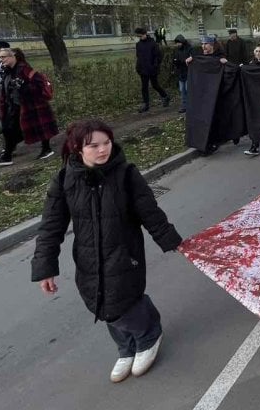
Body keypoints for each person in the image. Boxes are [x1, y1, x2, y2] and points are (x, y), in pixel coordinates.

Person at [31, 119, 182, 384]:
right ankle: (126, 347)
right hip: (88, 256)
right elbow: (51, 226)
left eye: (107, 143)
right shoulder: (66, 179)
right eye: (94, 145)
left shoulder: (126, 174)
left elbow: (150, 212)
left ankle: (148, 335)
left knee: (121, 300)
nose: (103, 150)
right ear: (78, 148)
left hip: (125, 252)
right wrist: (45, 267)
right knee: (99, 301)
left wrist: (171, 240)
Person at [0, 48, 58, 166]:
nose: (1, 60)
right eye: (0, 57)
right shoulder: (7, 71)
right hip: (14, 106)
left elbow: (38, 86)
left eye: (4, 57)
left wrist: (23, 86)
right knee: (9, 129)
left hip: (31, 106)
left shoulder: (25, 70)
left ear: (14, 57)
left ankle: (9, 155)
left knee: (38, 127)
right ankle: (7, 154)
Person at [135, 27, 170, 113]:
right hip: (143, 69)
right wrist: (138, 67)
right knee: (144, 87)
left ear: (145, 34)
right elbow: (138, 57)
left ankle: (165, 96)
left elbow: (158, 56)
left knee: (155, 85)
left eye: (141, 35)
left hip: (152, 69)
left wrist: (155, 66)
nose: (140, 37)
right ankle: (146, 104)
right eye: (139, 36)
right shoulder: (138, 44)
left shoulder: (153, 43)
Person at [171, 35, 193, 114]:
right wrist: (173, 68)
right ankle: (184, 106)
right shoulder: (177, 51)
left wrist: (189, 59)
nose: (177, 45)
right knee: (182, 90)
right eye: (176, 43)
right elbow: (174, 61)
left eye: (179, 43)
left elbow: (194, 57)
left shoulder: (189, 48)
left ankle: (191, 105)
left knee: (188, 89)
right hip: (181, 72)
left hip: (188, 72)